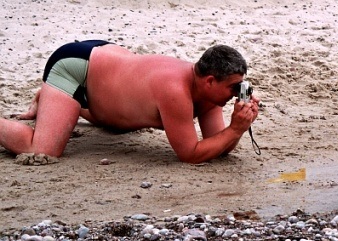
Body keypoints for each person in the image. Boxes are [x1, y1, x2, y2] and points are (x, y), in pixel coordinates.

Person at [0, 40, 259, 164]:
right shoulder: (175, 90)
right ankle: (57, 92)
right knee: (43, 150)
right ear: (210, 81)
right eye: (233, 87)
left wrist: (236, 126)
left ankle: (54, 100)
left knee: (115, 122)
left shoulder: (210, 94)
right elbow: (191, 154)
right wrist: (235, 129)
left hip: (110, 80)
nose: (236, 94)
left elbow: (219, 146)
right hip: (76, 66)